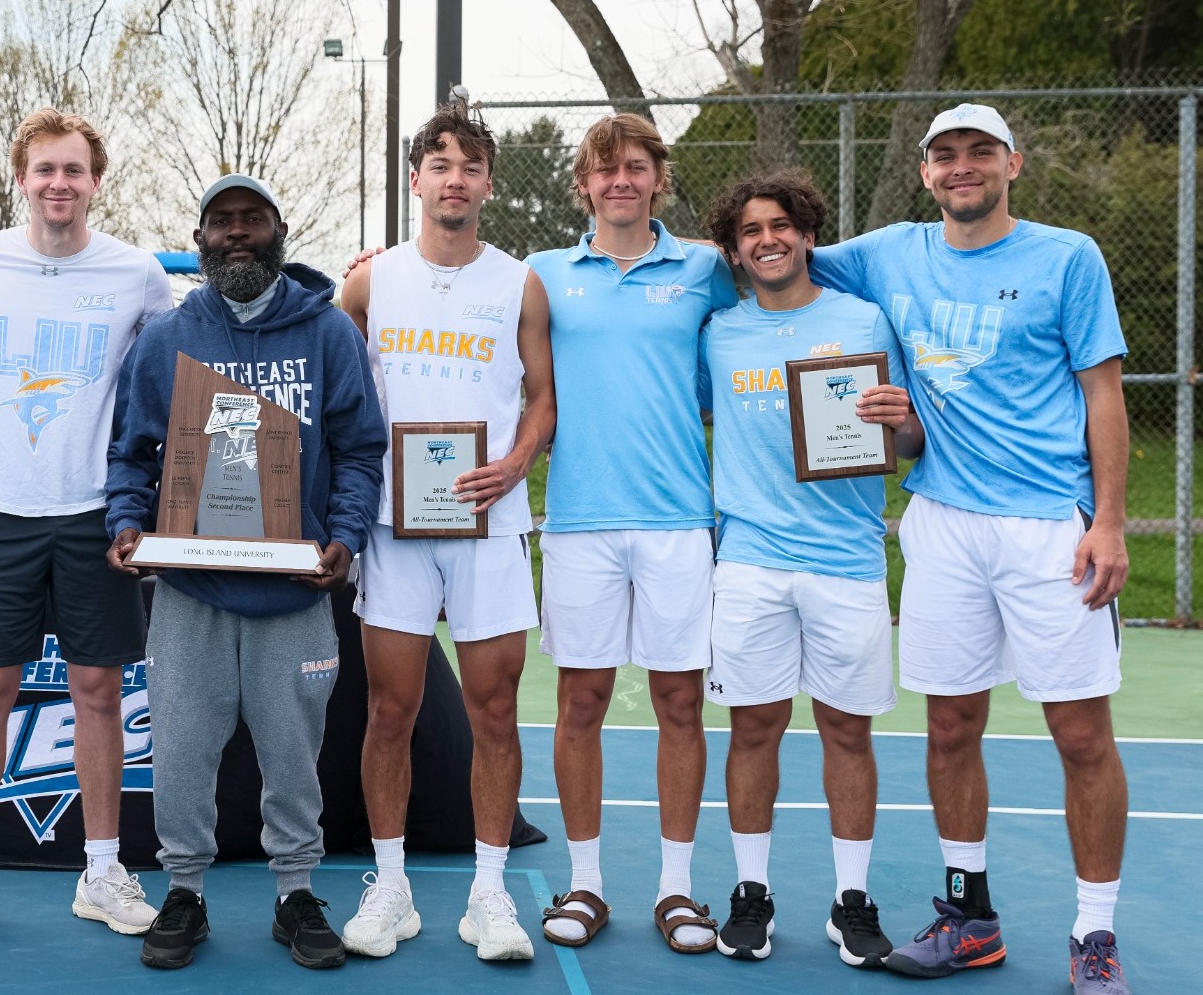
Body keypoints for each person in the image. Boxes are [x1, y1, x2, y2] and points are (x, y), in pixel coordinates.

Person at [810, 104, 1133, 993]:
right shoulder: (887, 252)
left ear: (1012, 163)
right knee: (950, 725)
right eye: (945, 155)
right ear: (924, 172)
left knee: (1079, 735)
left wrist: (1108, 522)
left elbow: (1103, 394)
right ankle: (969, 917)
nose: (962, 168)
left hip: (1047, 529)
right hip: (942, 523)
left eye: (979, 153)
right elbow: (771, 252)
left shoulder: (1069, 257)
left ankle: (1095, 935)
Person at [107, 173, 385, 971]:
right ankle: (184, 891)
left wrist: (344, 535)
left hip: (294, 585)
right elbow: (131, 452)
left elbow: (361, 447)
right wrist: (126, 524)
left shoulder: (330, 333)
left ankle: (295, 891)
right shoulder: (167, 337)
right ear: (198, 242)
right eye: (220, 222)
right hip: (192, 587)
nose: (236, 233)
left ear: (279, 231)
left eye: (251, 221)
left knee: (294, 752)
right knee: (183, 748)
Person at [0, 107, 171, 947]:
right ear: (21, 178)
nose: (59, 183)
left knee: (100, 693)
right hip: (1, 513)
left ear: (96, 180)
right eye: (44, 170)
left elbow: (166, 377)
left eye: (74, 170)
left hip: (98, 513)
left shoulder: (136, 272)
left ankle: (101, 869)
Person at [336, 102, 555, 962]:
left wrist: (515, 464)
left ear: (488, 183)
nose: (454, 178)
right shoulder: (370, 280)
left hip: (489, 523)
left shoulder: (519, 282)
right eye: (439, 163)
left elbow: (542, 396)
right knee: (390, 709)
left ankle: (489, 893)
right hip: (394, 527)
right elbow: (333, 372)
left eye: (470, 165)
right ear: (417, 180)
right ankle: (390, 886)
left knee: (494, 710)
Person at [524, 114, 738, 954]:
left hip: (680, 520)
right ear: (583, 183)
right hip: (579, 523)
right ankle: (587, 884)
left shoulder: (703, 270)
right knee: (581, 701)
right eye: (605, 169)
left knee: (679, 701)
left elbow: (785, 285)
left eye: (637, 167)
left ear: (659, 179)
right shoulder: (543, 275)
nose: (621, 180)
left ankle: (677, 892)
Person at [698, 170, 921, 967]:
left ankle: (850, 901)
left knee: (846, 731)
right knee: (753, 726)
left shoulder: (863, 319)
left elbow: (909, 441)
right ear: (734, 247)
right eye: (751, 229)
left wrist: (902, 424)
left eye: (781, 224)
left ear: (807, 234)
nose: (768, 238)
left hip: (847, 559)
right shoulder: (718, 331)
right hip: (750, 560)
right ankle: (751, 893)